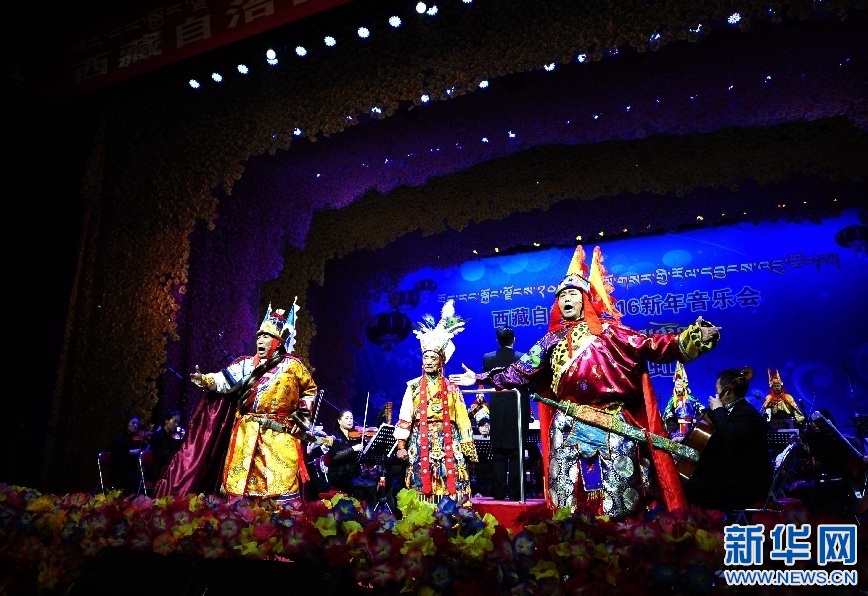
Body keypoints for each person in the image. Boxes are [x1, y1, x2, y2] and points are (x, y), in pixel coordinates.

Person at [450, 245, 721, 517]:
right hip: (567, 424)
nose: (566, 300)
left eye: (572, 294)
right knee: (565, 501)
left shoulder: (610, 332)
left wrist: (692, 337)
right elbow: (519, 371)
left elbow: (652, 345)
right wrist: (480, 378)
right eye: (561, 296)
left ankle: (620, 538)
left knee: (620, 500)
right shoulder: (551, 341)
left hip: (612, 422)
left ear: (584, 300)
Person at [185, 300, 319, 506]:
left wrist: (299, 420)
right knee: (243, 489)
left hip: (280, 434)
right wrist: (205, 379)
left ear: (278, 341)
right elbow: (224, 380)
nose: (260, 341)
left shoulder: (293, 366)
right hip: (247, 434)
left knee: (282, 486)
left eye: (266, 336)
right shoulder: (247, 365)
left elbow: (309, 392)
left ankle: (283, 523)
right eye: (259, 336)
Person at [394, 299, 479, 504]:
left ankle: (453, 517)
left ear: (441, 361)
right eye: (426, 358)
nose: (429, 362)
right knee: (421, 482)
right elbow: (405, 417)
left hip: (449, 439)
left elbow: (463, 419)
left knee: (453, 479)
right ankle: (423, 518)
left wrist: (467, 447)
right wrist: (401, 445)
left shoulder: (452, 388)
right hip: (420, 439)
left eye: (433, 358)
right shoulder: (413, 387)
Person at [681, 367, 774, 511]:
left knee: (686, 488)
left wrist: (718, 410)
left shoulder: (747, 414)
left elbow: (733, 436)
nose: (716, 395)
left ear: (729, 392)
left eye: (717, 390)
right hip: (729, 478)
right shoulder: (731, 413)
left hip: (742, 485)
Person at [482, 326, 531, 501]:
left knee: (498, 453)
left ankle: (499, 493)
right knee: (517, 452)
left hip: (497, 407)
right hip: (517, 408)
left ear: (497, 340)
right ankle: (516, 494)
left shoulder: (488, 358)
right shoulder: (522, 358)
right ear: (514, 340)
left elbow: (489, 379)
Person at [322, 409, 378, 506]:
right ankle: (357, 510)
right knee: (359, 487)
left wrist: (369, 444)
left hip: (353, 473)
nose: (350, 420)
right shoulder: (335, 436)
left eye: (351, 418)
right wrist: (353, 449)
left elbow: (367, 455)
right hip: (339, 475)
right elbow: (335, 457)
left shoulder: (356, 436)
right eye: (347, 418)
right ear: (339, 421)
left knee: (372, 484)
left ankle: (369, 511)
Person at [662, 361, 706, 441]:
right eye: (676, 387)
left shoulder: (691, 399)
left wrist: (701, 412)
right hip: (677, 427)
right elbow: (667, 412)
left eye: (680, 386)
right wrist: (671, 418)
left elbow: (700, 408)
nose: (678, 389)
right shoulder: (673, 400)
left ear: (684, 387)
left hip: (691, 425)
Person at [109, 415, 151, 496]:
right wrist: (130, 452)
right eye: (133, 423)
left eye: (137, 424)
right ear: (127, 424)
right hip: (119, 471)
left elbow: (144, 452)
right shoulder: (119, 438)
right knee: (138, 479)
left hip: (133, 470)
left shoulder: (139, 440)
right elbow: (115, 455)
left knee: (147, 477)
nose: (135, 425)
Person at [146, 409, 185, 483]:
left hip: (167, 466)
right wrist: (174, 456)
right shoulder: (157, 435)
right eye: (174, 421)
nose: (176, 424)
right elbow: (158, 455)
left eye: (178, 422)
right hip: (158, 468)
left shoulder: (171, 436)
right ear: (166, 421)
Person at [471, 416, 494, 497]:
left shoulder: (493, 439)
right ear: (478, 428)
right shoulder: (474, 439)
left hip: (491, 464)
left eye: (486, 426)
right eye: (482, 426)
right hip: (479, 464)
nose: (484, 428)